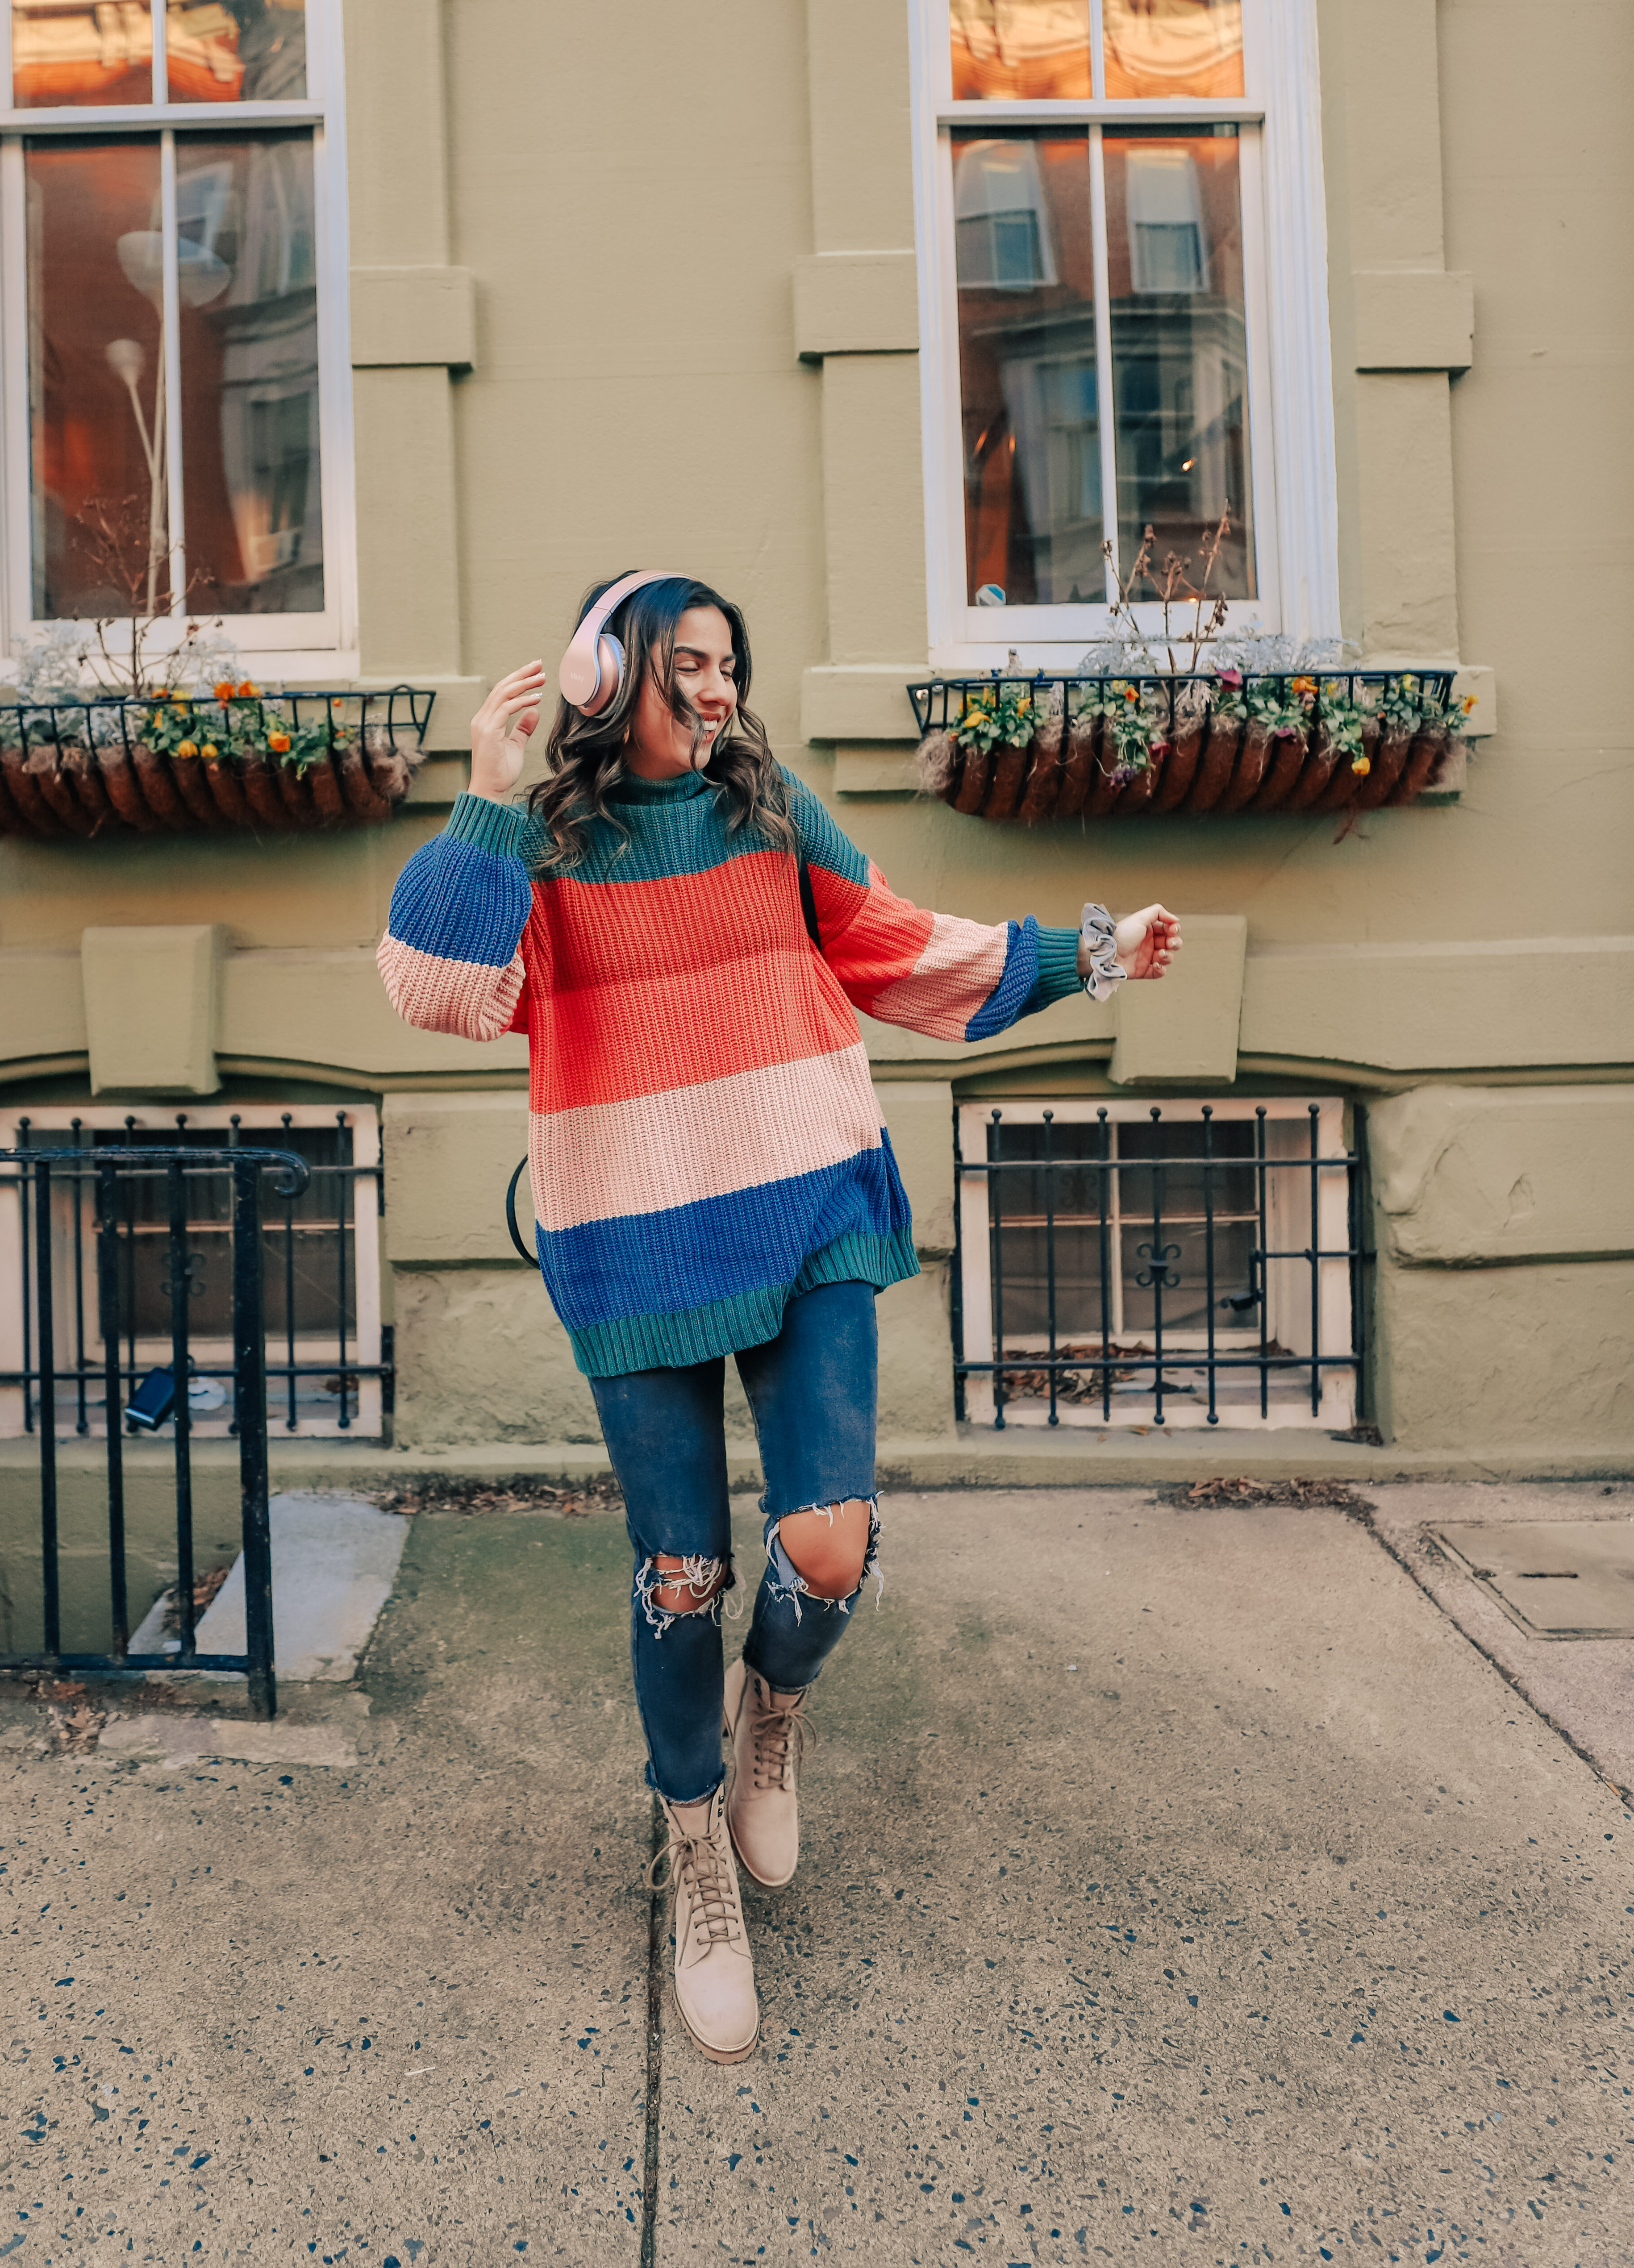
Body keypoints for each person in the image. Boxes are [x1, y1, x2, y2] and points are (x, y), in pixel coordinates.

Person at [375, 573, 1180, 2065]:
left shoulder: (772, 812)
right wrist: (484, 795)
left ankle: (776, 1706)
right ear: (605, 678)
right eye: (686, 663)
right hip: (635, 1239)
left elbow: (901, 948)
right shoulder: (541, 850)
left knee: (830, 1545)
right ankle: (694, 1838)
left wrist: (1092, 954)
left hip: (809, 1205)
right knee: (681, 1576)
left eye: (729, 663)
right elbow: (435, 991)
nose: (718, 688)